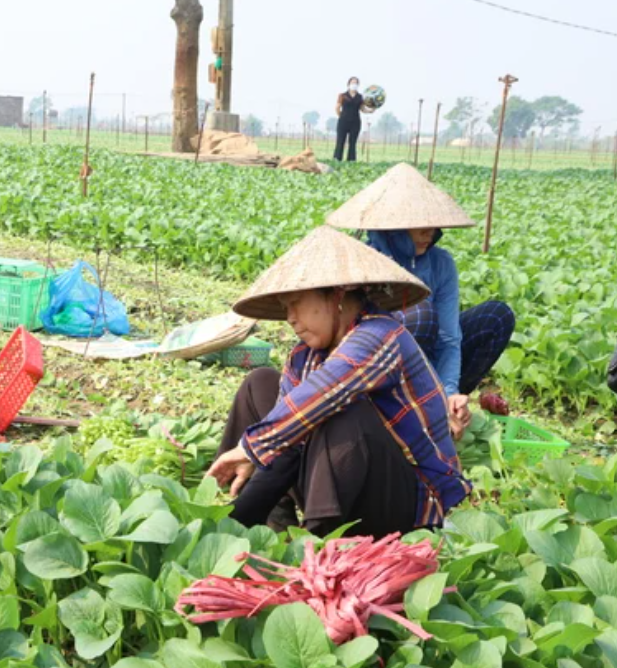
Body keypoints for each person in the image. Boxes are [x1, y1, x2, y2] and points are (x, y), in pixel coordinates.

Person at [207, 226, 471, 537]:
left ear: (337, 296)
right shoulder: (304, 356)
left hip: (408, 505)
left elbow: (326, 392)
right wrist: (230, 525)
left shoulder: (381, 335)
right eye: (284, 307)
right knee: (260, 384)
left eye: (296, 303)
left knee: (340, 412)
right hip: (345, 488)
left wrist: (250, 448)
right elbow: (287, 440)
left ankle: (320, 544)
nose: (290, 317)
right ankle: (267, 524)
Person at [326, 163, 516, 438]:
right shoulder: (366, 259)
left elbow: (449, 337)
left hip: (428, 358)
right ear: (395, 225)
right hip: (377, 367)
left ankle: (443, 408)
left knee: (496, 317)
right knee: (419, 312)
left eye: (433, 224)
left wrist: (447, 391)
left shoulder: (441, 263)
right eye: (421, 225)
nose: (431, 232)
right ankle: (395, 412)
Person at [334, 77, 373, 162]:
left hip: (355, 122)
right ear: (348, 84)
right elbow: (337, 107)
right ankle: (337, 159)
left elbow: (362, 109)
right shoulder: (342, 96)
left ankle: (351, 161)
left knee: (352, 143)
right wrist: (341, 115)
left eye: (356, 83)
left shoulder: (360, 97)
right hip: (343, 122)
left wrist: (370, 110)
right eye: (352, 82)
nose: (354, 84)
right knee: (340, 141)